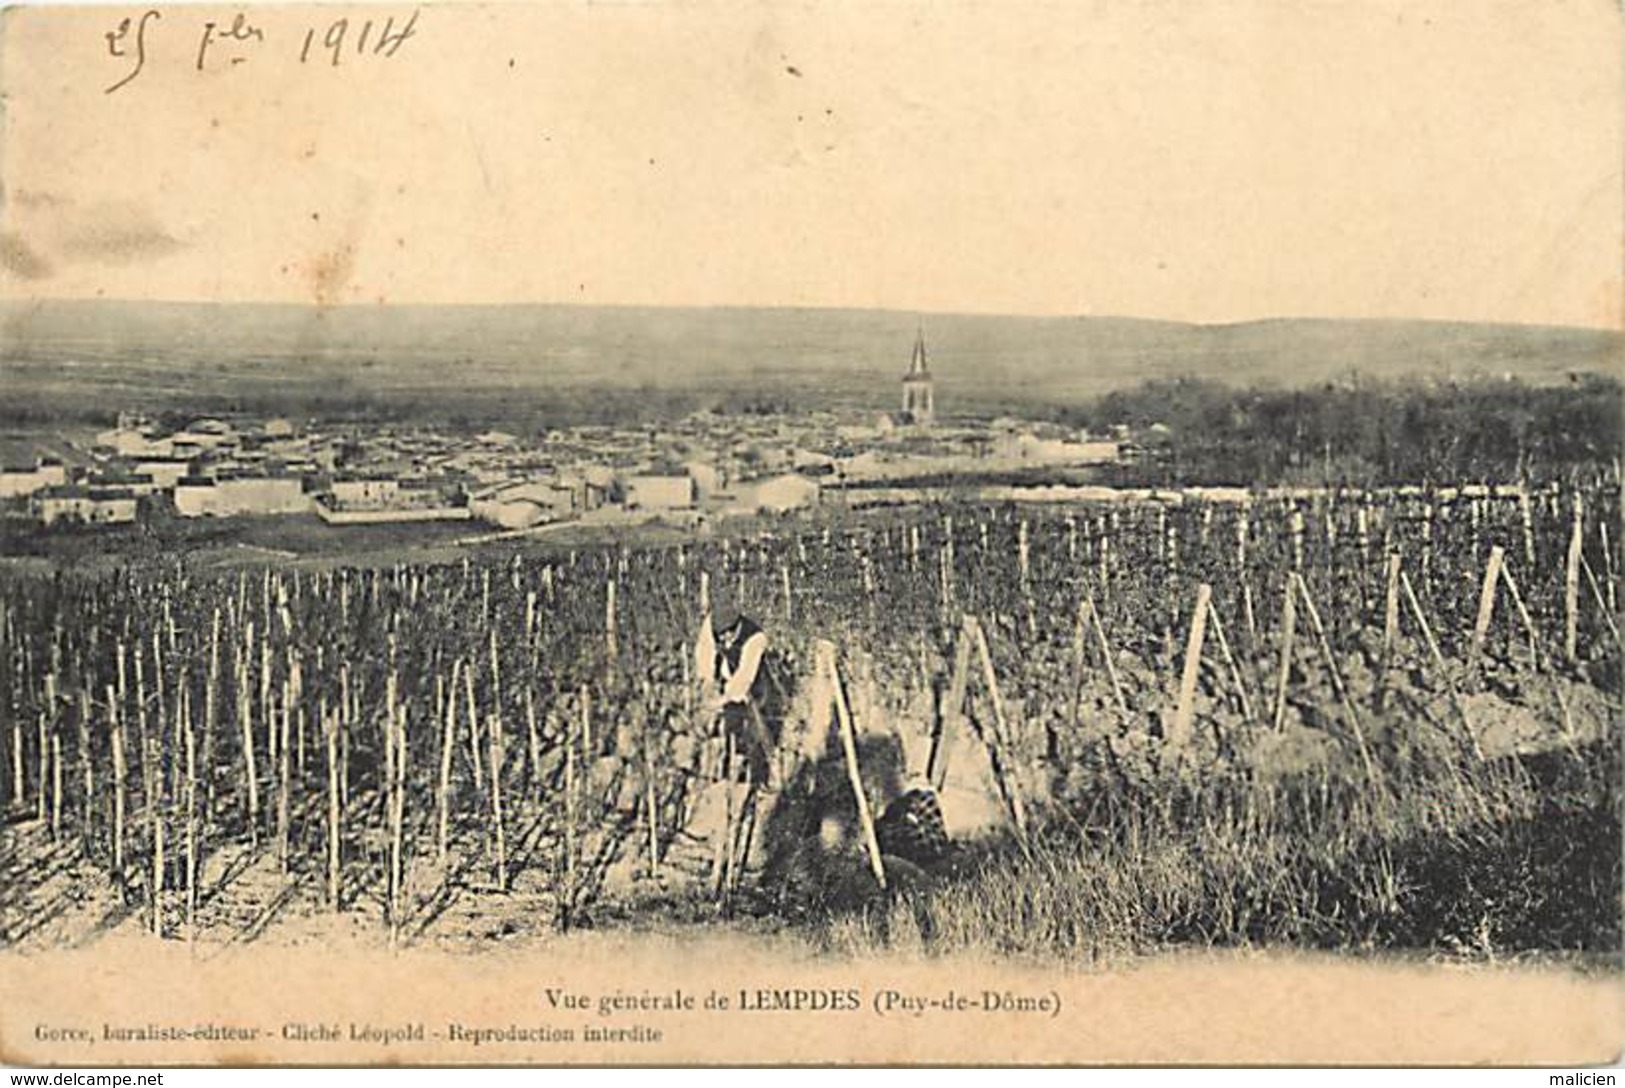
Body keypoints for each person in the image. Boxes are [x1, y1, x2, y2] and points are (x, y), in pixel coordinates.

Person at [694, 603, 777, 784]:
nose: (723, 638)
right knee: (730, 729)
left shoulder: (756, 638)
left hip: (756, 686)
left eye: (728, 633)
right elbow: (704, 651)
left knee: (756, 733)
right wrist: (707, 682)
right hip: (728, 681)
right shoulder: (711, 624)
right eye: (720, 635)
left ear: (737, 625)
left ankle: (760, 778)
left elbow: (743, 679)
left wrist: (722, 700)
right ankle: (726, 773)